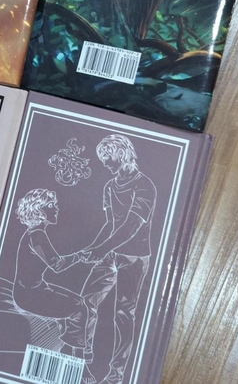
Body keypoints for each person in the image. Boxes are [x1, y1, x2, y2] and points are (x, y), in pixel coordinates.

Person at [80, 134, 156, 384]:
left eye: (107, 157)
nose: (105, 163)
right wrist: (94, 248)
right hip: (110, 253)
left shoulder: (145, 186)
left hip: (134, 258)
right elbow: (110, 224)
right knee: (86, 301)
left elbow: (132, 224)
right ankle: (83, 364)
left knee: (123, 313)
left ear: (122, 153)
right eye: (102, 158)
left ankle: (115, 376)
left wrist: (101, 249)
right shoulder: (109, 187)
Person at [13, 188, 87, 354]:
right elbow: (57, 265)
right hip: (28, 295)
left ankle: (69, 343)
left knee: (80, 302)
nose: (57, 208)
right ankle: (76, 352)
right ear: (39, 210)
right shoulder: (37, 236)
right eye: (52, 205)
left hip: (36, 288)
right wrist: (79, 256)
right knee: (79, 308)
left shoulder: (34, 233)